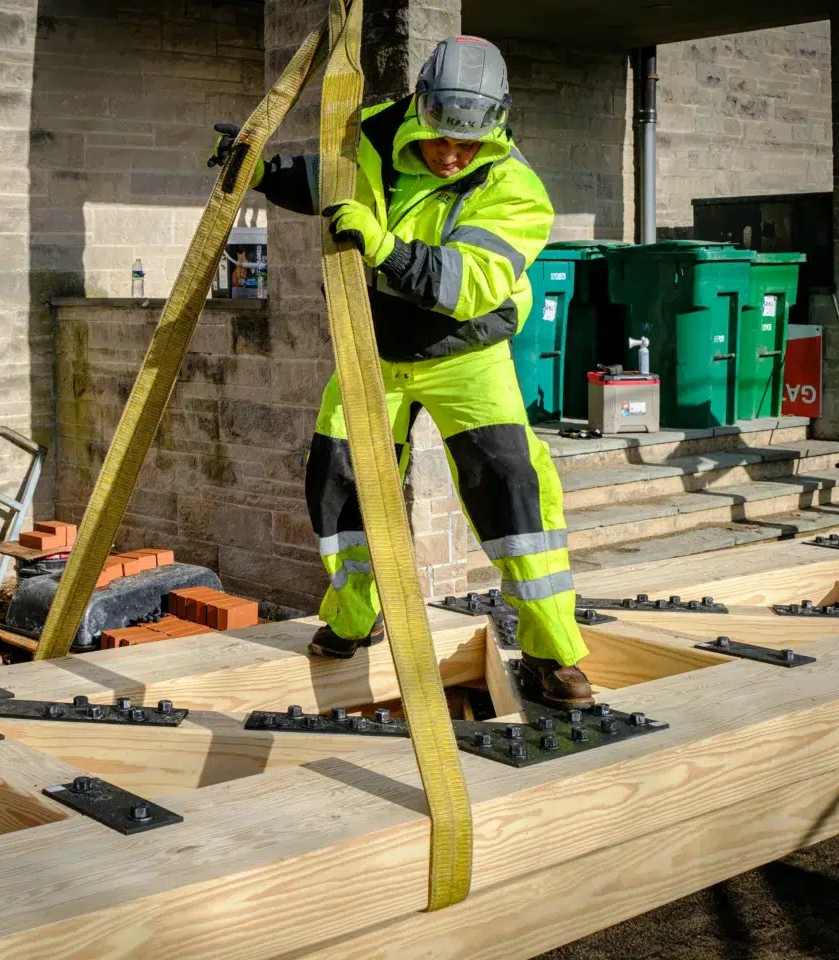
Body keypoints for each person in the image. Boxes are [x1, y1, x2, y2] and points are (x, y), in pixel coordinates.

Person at [210, 36, 592, 708]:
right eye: (440, 136)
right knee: (338, 482)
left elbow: (467, 285)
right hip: (374, 350)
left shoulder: (517, 190)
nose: (450, 154)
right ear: (421, 106)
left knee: (514, 494)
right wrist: (263, 174)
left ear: (498, 124)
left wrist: (381, 245)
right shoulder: (378, 133)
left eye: (467, 145)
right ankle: (356, 619)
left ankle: (551, 653)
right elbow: (335, 181)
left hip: (467, 354)